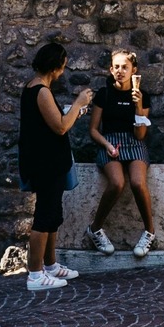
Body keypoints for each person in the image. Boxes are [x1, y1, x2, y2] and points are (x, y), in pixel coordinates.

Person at [19, 42, 96, 291]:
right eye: (62, 67)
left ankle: (50, 265)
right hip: (45, 163)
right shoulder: (40, 90)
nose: (63, 71)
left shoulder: (34, 88)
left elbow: (50, 121)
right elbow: (61, 126)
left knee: (53, 214)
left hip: (49, 161)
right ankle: (34, 274)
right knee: (44, 215)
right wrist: (79, 102)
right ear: (55, 67)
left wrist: (73, 111)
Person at [86, 50, 156, 259]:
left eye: (125, 67)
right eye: (116, 67)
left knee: (137, 182)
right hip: (110, 142)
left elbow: (141, 134)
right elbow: (93, 130)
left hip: (134, 142)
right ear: (110, 69)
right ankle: (95, 228)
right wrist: (107, 144)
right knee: (117, 183)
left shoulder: (143, 96)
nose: (120, 71)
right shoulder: (104, 94)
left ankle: (149, 233)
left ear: (134, 71)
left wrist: (138, 106)